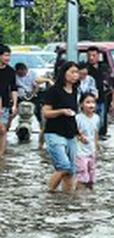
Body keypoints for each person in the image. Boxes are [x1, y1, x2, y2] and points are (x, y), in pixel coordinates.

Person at [41, 61, 81, 192]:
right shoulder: (54, 91)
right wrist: (61, 111)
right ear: (64, 74)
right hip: (54, 133)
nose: (76, 75)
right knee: (64, 167)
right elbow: (45, 113)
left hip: (70, 134)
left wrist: (79, 133)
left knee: (71, 171)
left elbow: (74, 115)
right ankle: (49, 193)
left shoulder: (75, 90)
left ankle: (66, 199)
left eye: (77, 72)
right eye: (72, 72)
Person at [74, 92, 99, 190]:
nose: (91, 105)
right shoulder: (77, 118)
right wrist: (80, 137)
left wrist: (96, 148)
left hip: (91, 151)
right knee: (82, 175)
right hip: (80, 152)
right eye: (87, 102)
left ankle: (90, 196)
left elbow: (95, 133)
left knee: (92, 175)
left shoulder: (96, 118)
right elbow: (73, 132)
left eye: (93, 102)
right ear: (81, 105)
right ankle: (80, 197)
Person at [85, 46, 112, 139]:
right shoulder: (86, 68)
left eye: (94, 55)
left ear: (98, 56)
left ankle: (101, 134)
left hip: (102, 97)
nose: (91, 58)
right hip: (88, 98)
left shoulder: (104, 67)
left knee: (101, 117)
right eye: (89, 55)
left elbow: (109, 80)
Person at [0, 44, 16, 157]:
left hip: (5, 104)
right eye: (6, 55)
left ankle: (1, 155)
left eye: (9, 56)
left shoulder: (10, 71)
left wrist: (14, 104)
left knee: (2, 129)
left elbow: (13, 88)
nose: (8, 58)